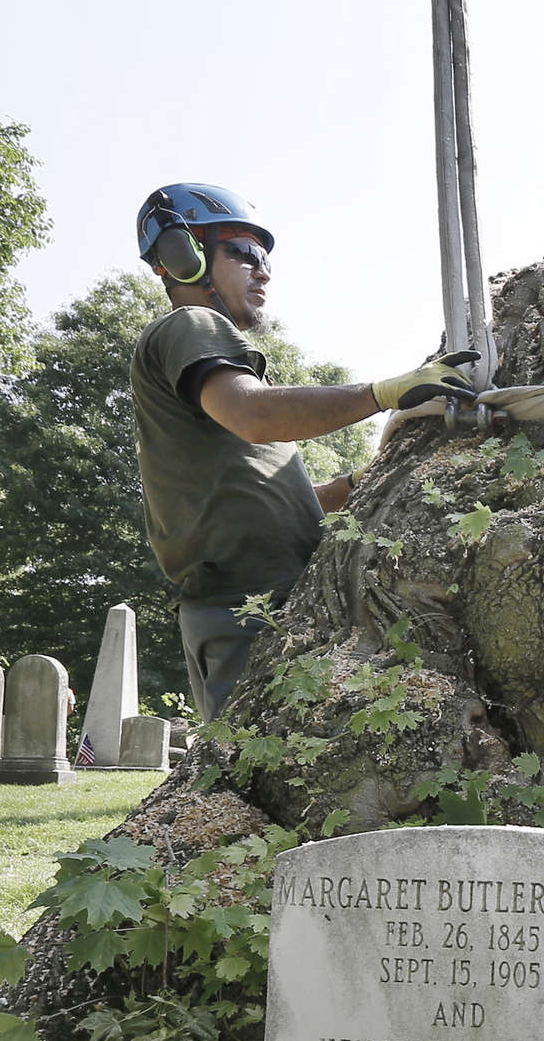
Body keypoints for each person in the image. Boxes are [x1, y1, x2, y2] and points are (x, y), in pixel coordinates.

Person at [129, 183, 476, 718]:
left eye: (264, 258)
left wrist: (362, 485)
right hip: (248, 611)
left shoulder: (207, 366)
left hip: (270, 603)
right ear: (185, 257)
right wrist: (382, 394)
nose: (263, 271)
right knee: (272, 774)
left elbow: (261, 499)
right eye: (244, 253)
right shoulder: (191, 324)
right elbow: (255, 414)